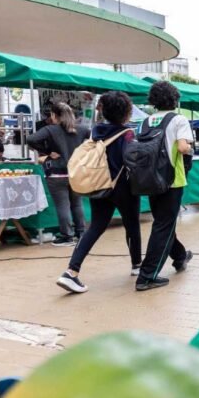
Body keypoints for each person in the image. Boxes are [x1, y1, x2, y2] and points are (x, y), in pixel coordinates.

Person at [56, 92, 141, 294]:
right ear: (126, 112)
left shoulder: (96, 131)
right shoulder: (127, 134)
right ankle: (137, 265)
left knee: (94, 228)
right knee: (132, 224)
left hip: (99, 185)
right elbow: (131, 161)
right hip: (122, 187)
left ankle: (71, 271)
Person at [136, 81, 194, 292]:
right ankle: (147, 275)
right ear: (174, 99)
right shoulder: (179, 120)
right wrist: (188, 146)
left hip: (149, 179)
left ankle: (180, 257)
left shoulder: (144, 122)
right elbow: (182, 147)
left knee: (163, 222)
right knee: (163, 225)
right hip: (172, 179)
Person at [27, 102, 89, 247]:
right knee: (77, 204)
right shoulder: (81, 129)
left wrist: (47, 152)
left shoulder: (50, 130)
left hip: (56, 173)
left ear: (54, 115)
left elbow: (31, 139)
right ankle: (81, 234)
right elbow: (96, 138)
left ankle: (67, 236)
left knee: (63, 206)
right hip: (75, 172)